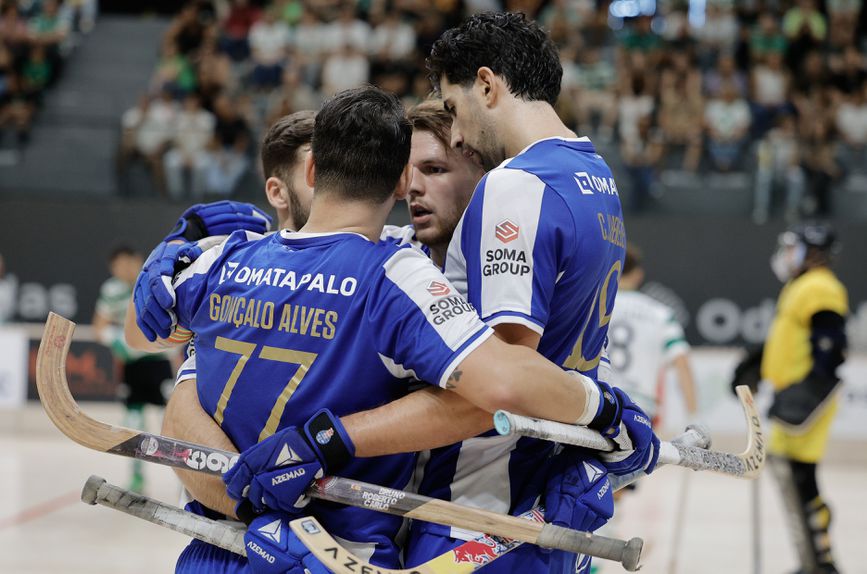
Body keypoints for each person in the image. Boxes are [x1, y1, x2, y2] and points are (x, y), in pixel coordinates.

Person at [126, 86, 636, 574]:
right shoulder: (396, 268)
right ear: (394, 183)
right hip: (337, 546)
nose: (416, 186)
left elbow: (150, 337)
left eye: (435, 170)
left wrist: (574, 449)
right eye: (411, 172)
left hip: (361, 538)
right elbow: (501, 387)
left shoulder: (230, 258)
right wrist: (599, 414)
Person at [731, 223, 847, 574]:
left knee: (798, 476)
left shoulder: (820, 286)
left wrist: (807, 392)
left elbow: (830, 345)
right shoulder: (801, 286)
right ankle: (811, 559)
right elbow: (790, 340)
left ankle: (821, 561)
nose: (785, 255)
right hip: (791, 394)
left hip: (806, 399)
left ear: (811, 252)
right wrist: (757, 365)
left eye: (792, 248)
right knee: (790, 474)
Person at [92, 246, 174, 493]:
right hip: (133, 367)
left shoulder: (156, 282)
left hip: (159, 362)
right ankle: (137, 476)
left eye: (129, 262)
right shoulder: (111, 290)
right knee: (133, 421)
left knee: (171, 421)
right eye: (119, 264)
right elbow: (99, 326)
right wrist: (115, 338)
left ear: (139, 260)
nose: (125, 268)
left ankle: (186, 480)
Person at [607, 244, 698, 427]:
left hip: (602, 401)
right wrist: (693, 417)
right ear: (638, 274)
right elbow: (682, 364)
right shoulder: (661, 314)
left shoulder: (597, 306)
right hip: (640, 408)